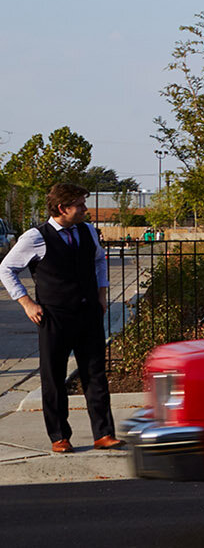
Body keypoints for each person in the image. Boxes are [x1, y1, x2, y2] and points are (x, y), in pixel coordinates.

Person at [0, 183, 119, 452]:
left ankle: (103, 434)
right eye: (80, 204)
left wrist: (102, 294)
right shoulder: (35, 237)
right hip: (54, 317)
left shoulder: (87, 231)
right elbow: (6, 269)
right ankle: (59, 436)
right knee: (53, 378)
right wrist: (27, 303)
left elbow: (100, 260)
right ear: (63, 208)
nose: (86, 210)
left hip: (88, 313)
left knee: (95, 374)